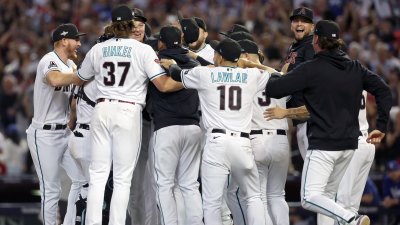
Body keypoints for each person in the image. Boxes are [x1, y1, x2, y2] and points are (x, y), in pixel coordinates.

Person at [265, 20, 392, 225]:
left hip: (324, 145)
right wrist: (382, 126)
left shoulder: (311, 68)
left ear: (316, 40)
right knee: (329, 198)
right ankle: (349, 217)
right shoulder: (355, 67)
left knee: (309, 198)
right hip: (349, 145)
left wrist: (278, 73)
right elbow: (384, 90)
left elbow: (274, 89)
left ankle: (352, 219)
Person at [71, 5, 183, 225]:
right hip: (128, 111)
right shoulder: (143, 50)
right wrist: (189, 79)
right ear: (132, 25)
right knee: (122, 179)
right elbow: (162, 85)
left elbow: (80, 78)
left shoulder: (98, 48)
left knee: (97, 176)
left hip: (101, 109)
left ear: (112, 25)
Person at [160, 38, 267, 225]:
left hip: (217, 142)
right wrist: (249, 64)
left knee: (211, 203)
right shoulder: (252, 75)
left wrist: (171, 65)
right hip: (242, 143)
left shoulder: (205, 74)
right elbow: (277, 76)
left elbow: (178, 75)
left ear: (219, 56)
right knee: (253, 197)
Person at [25, 23, 86, 225]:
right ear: (63, 41)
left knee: (82, 179)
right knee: (51, 189)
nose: (79, 43)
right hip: (44, 134)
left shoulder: (72, 65)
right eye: (75, 39)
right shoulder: (48, 60)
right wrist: (80, 76)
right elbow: (54, 79)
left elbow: (74, 100)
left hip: (64, 133)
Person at [227, 39, 290, 225]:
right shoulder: (275, 75)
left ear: (245, 56)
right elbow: (288, 87)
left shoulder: (245, 77)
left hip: (257, 139)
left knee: (258, 197)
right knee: (278, 195)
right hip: (281, 140)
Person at [149, 25, 203, 225]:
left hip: (166, 129)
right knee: (189, 184)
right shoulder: (194, 64)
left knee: (164, 185)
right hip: (193, 128)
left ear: (161, 42)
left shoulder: (154, 61)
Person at [316, 91, 376, 225]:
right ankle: (356, 221)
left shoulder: (343, 81)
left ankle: (355, 221)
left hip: (352, 142)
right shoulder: (359, 78)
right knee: (352, 206)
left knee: (341, 203)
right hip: (367, 141)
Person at [268, 7, 315, 159]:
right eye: (296, 21)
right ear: (291, 25)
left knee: (315, 173)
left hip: (311, 120)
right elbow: (282, 71)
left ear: (312, 26)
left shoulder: (311, 46)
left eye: (305, 21)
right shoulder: (294, 46)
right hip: (301, 120)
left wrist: (285, 76)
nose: (299, 24)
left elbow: (310, 76)